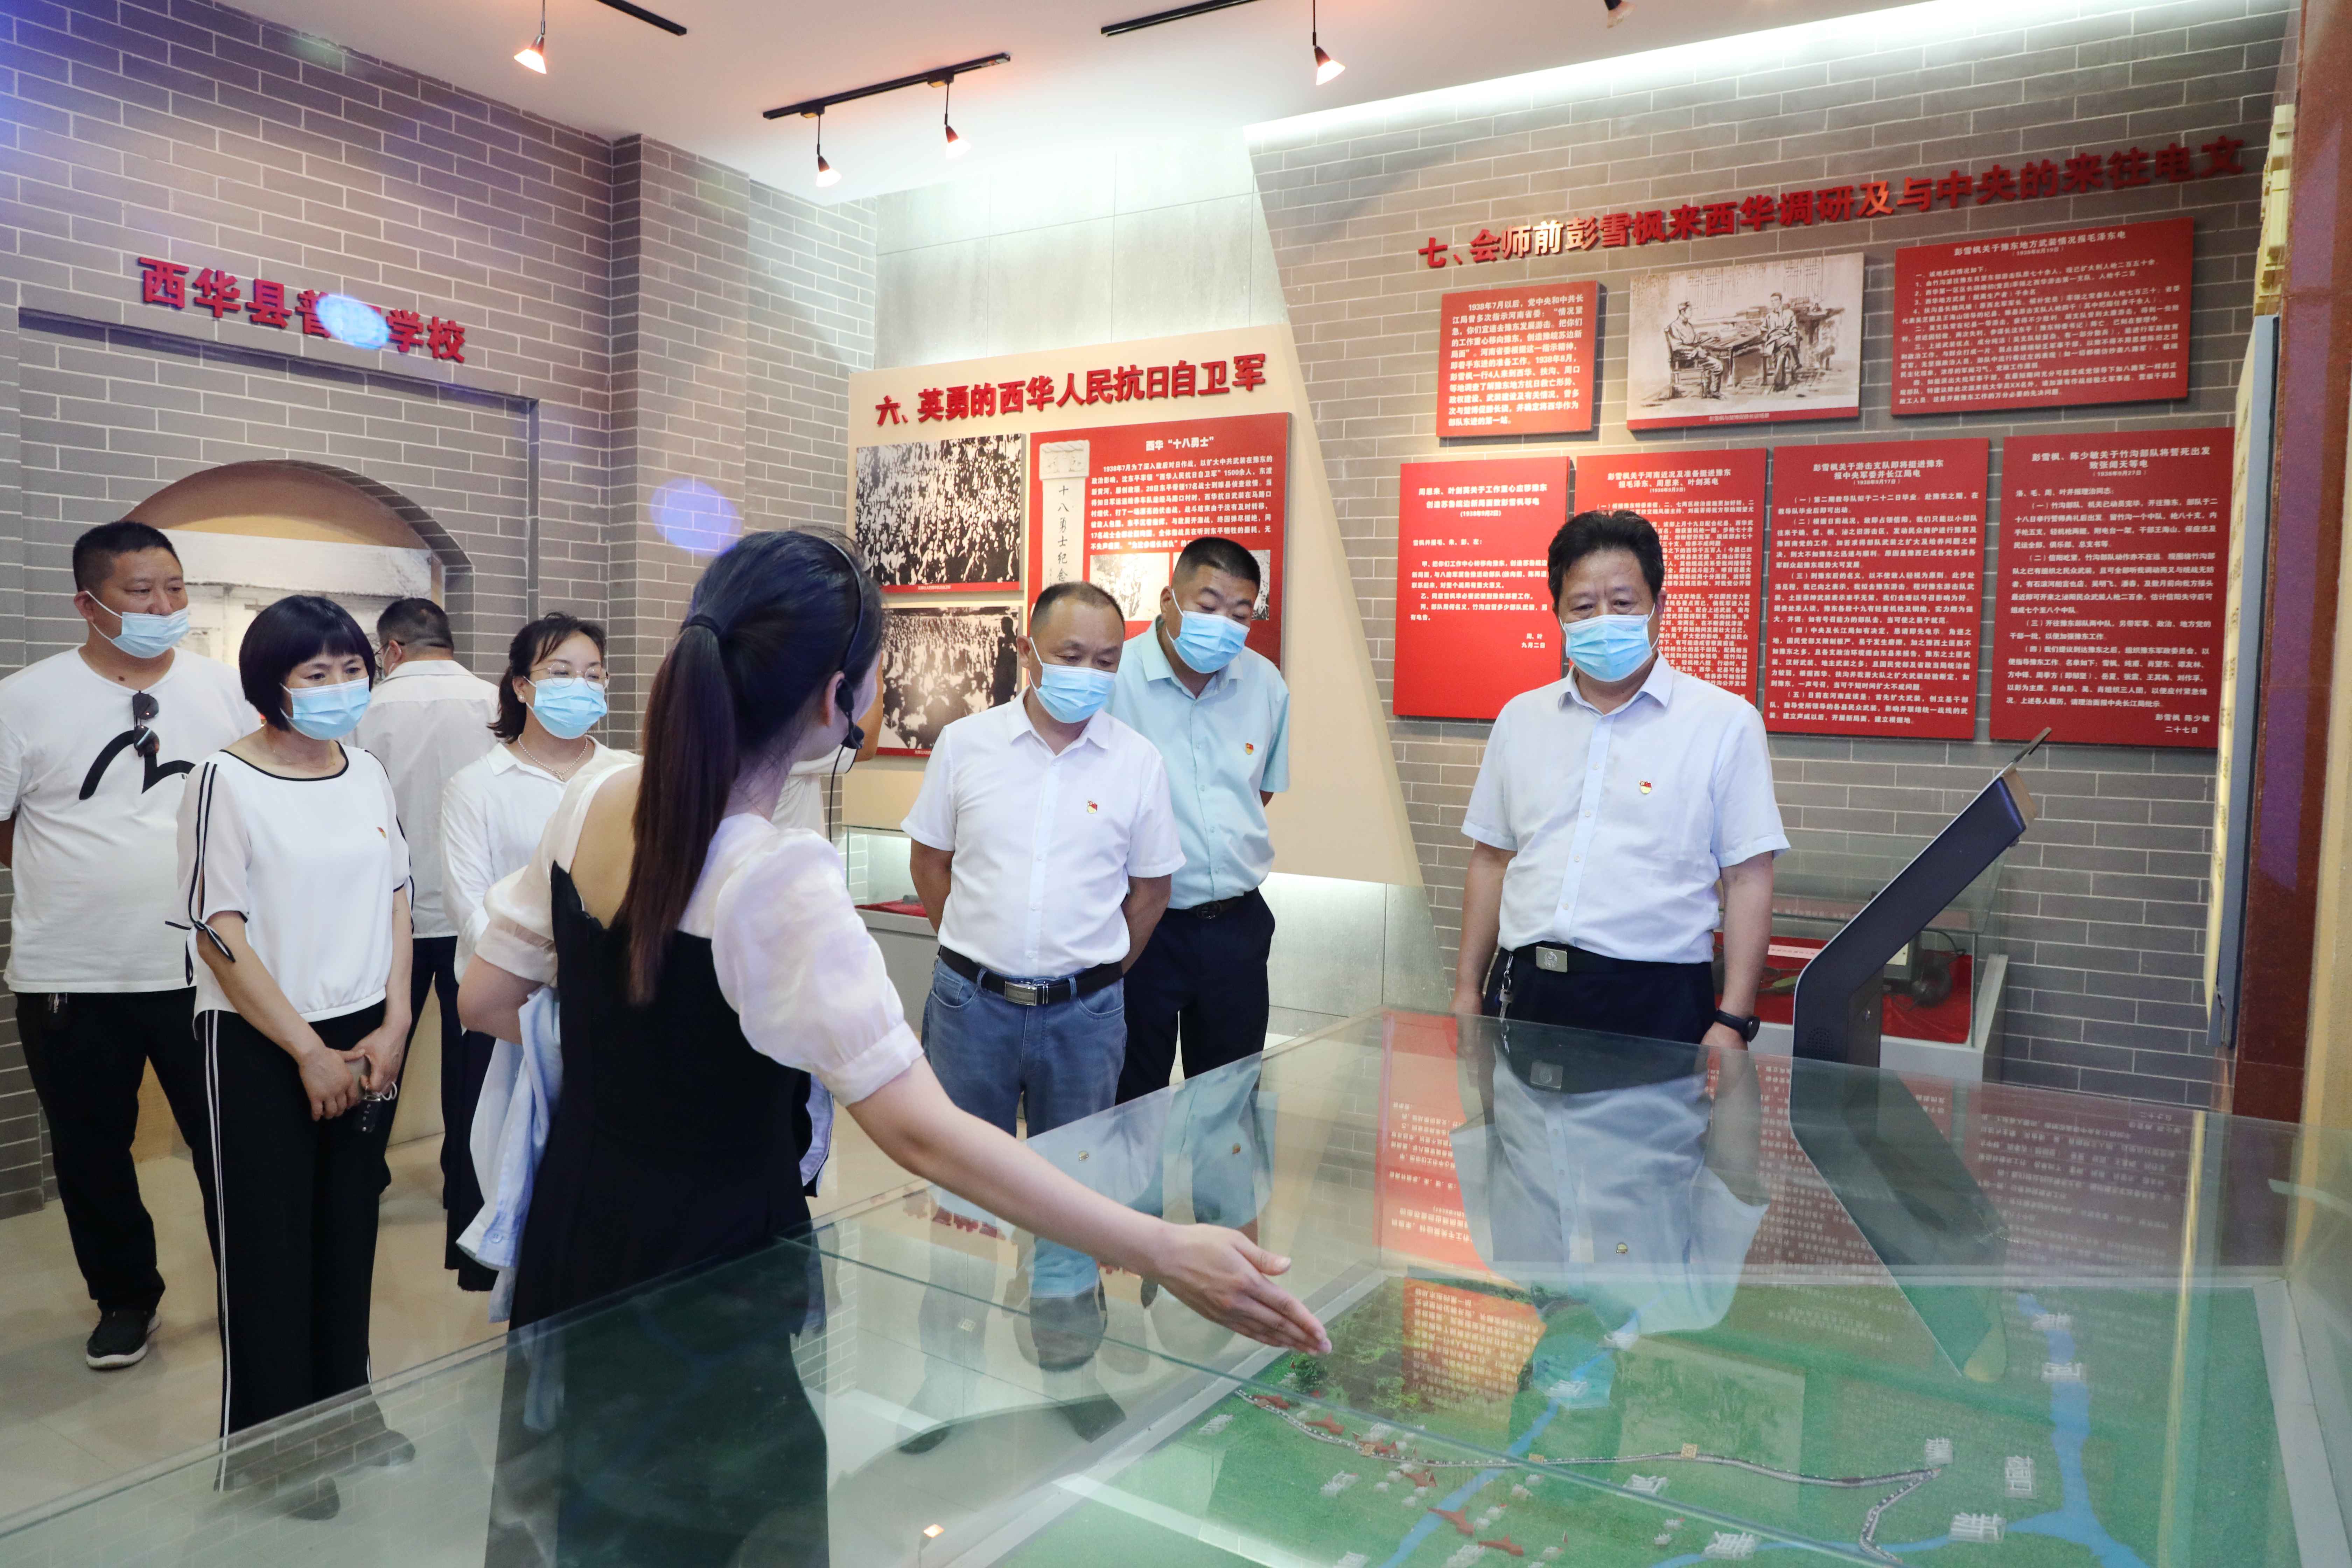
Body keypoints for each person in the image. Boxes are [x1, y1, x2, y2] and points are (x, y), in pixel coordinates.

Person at [457, 532, 1320, 1566]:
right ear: (839, 697)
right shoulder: (779, 877)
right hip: (712, 1269)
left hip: (577, 1226)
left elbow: (486, 997)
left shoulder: (596, 798)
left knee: (585, 1515)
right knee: (719, 1528)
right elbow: (925, 1135)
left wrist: (642, 1047)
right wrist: (1161, 1247)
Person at [177, 595, 417, 1517]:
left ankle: (348, 1415)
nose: (340, 687)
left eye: (353, 669)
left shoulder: (367, 771)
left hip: (365, 1031)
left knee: (348, 1235)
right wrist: (308, 1051)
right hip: (260, 1038)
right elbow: (218, 932)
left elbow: (397, 898)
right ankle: (274, 1449)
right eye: (317, 673)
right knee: (268, 1251)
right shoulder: (223, 779)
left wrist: (397, 1023)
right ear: (271, 683)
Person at [903, 579, 1186, 1362]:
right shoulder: (968, 745)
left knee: (1073, 1189)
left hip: (1085, 1017)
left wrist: (1096, 975)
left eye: (1107, 660)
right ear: (1028, 652)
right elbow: (930, 862)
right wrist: (973, 947)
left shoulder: (1137, 762)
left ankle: (1065, 1356)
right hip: (971, 1008)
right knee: (961, 1191)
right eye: (1071, 654)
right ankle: (950, 1362)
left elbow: (1151, 892)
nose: (1089, 673)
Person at [0, 521, 252, 1371]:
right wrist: (81, 868)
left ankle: (253, 1288)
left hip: (208, 969)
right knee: (91, 1150)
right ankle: (125, 1298)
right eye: (141, 592)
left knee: (232, 1141)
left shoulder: (226, 690)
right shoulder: (24, 700)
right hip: (73, 971)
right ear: (88, 602)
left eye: (175, 588)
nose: (164, 605)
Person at [1452, 509, 1786, 1052]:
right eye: (1583, 607)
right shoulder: (1521, 719)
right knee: (1514, 1113)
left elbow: (1748, 876)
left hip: (1656, 997)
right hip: (1526, 987)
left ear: (1659, 607)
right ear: (1558, 615)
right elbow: (1491, 860)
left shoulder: (1725, 722)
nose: (1603, 620)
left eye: (1623, 602)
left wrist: (1733, 1019)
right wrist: (1468, 989)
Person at [437, 612, 625, 1290]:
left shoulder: (627, 775)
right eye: (561, 673)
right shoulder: (477, 785)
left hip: (606, 1006)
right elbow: (469, 905)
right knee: (502, 1164)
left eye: (594, 674)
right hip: (505, 1008)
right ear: (521, 686)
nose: (582, 686)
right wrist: (547, 976)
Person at [1108, 536, 1291, 1104]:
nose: (1224, 625)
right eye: (1208, 606)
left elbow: (1258, 791)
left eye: (1241, 614)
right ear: (1169, 600)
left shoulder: (1265, 683)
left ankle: (1222, 1172)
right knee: (1130, 1099)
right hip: (1138, 924)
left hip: (1235, 927)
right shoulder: (1115, 678)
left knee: (1229, 1103)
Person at [353, 597, 496, 1119]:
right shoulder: (496, 703)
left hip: (391, 916)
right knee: (474, 1060)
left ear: (392, 650)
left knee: (381, 1054)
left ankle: (367, 1162)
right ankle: (463, 1170)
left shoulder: (365, 709)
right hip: (476, 912)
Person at [1664, 301, 1725, 399]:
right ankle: (1715, 393)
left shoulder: (1688, 325)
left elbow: (1695, 339)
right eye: (1690, 311)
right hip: (1685, 359)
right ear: (1683, 312)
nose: (1692, 313)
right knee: (1718, 365)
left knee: (1714, 356)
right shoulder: (1674, 327)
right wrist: (1697, 352)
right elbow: (1677, 347)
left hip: (1693, 356)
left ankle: (1709, 391)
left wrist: (1710, 336)